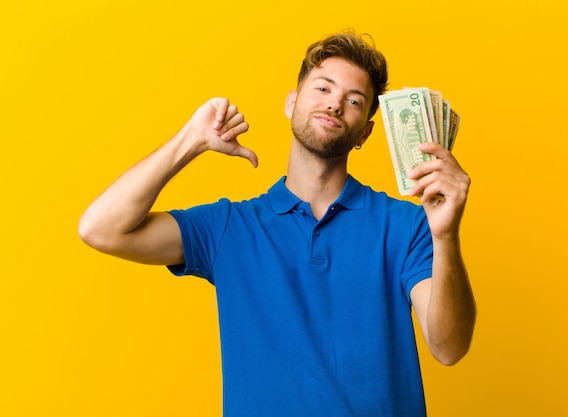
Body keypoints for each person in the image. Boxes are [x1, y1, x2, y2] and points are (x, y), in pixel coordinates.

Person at [79, 29, 476, 417]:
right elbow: (99, 229)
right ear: (291, 103)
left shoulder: (407, 225)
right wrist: (191, 141)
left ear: (366, 132)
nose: (335, 104)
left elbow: (449, 347)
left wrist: (446, 235)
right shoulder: (229, 227)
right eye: (322, 88)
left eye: (354, 100)